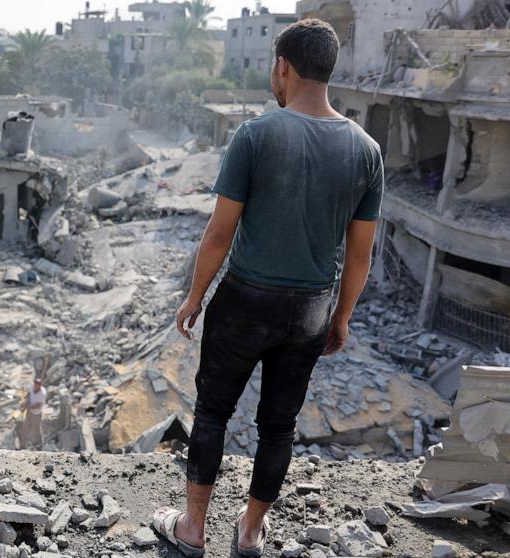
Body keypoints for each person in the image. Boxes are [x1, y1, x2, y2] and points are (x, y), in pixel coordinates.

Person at [151, 19, 384, 558]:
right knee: (278, 427)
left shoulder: (257, 134)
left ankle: (191, 529)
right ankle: (251, 533)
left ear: (283, 65)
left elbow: (219, 232)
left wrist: (193, 298)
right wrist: (341, 317)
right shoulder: (366, 150)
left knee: (212, 413)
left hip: (245, 301)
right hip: (310, 309)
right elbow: (360, 253)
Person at [22, 377, 46, 449]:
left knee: (36, 430)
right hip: (29, 412)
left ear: (40, 386)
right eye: (34, 384)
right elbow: (29, 393)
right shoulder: (32, 387)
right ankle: (23, 445)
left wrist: (27, 407)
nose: (35, 386)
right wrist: (26, 399)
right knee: (26, 428)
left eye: (37, 385)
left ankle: (39, 445)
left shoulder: (42, 393)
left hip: (36, 414)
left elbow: (38, 406)